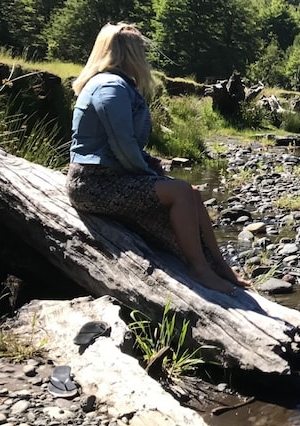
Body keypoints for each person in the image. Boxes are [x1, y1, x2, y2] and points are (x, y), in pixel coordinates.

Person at [66, 23, 247, 294]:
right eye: (141, 50)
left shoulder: (114, 84)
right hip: (93, 185)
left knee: (193, 193)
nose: (145, 57)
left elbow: (118, 143)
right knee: (181, 193)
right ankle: (199, 268)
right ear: (127, 53)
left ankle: (219, 265)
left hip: (107, 178)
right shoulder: (109, 86)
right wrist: (148, 174)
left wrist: (147, 160)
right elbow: (122, 143)